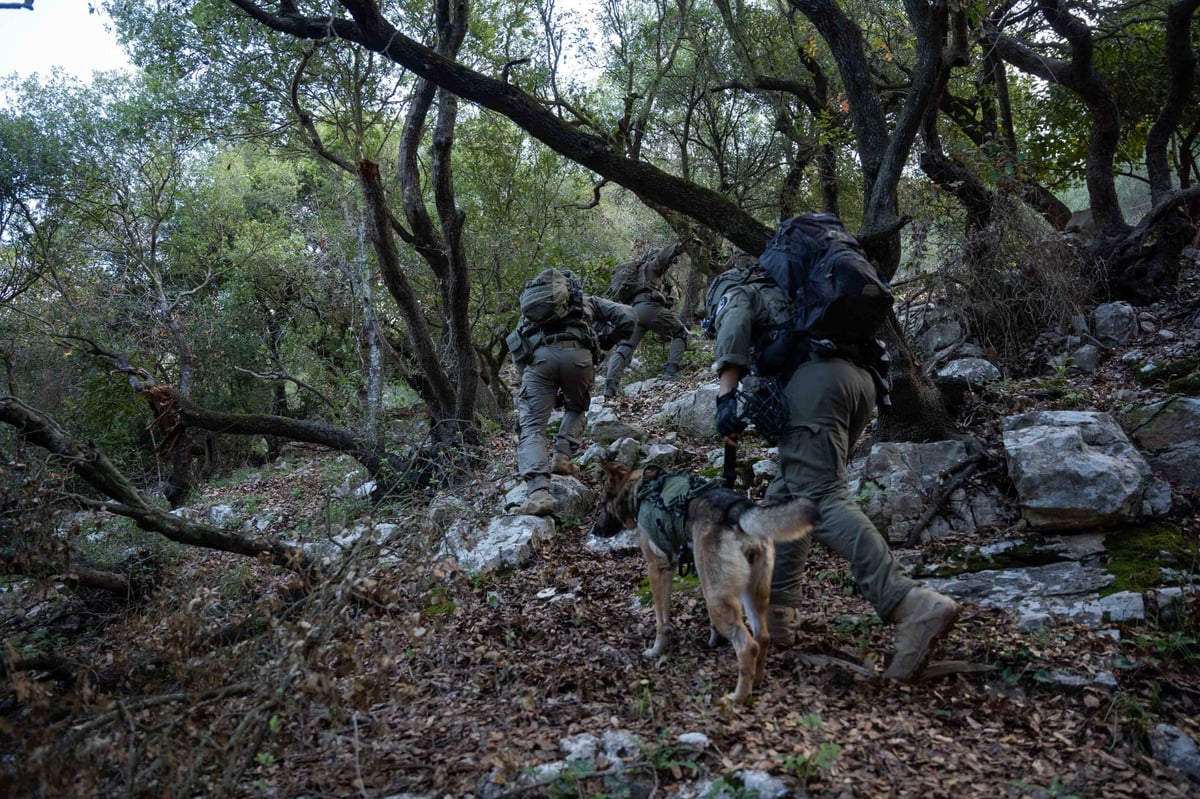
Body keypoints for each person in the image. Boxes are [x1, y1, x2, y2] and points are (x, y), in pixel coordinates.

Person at [709, 260, 960, 683]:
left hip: (816, 383)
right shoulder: (796, 287)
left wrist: (725, 397)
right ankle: (777, 619)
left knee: (821, 495)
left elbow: (734, 323)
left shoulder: (737, 288)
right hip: (858, 382)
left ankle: (911, 604)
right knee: (786, 500)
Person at [511, 270, 636, 517]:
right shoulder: (586, 302)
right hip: (580, 358)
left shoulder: (531, 311)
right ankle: (563, 458)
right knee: (577, 407)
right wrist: (608, 340)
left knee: (533, 426)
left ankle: (538, 494)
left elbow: (517, 349)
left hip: (539, 361)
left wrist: (534, 379)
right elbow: (629, 317)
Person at [603, 242, 691, 398]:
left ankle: (609, 389)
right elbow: (664, 256)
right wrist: (678, 248)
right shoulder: (652, 267)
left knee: (624, 349)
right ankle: (671, 371)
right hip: (648, 310)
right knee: (682, 333)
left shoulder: (639, 276)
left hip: (632, 313)